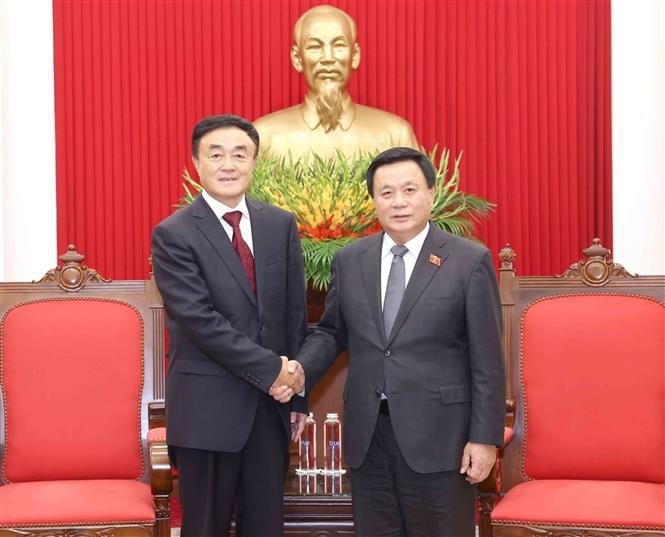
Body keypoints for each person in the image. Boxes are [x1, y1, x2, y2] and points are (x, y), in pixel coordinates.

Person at [272, 147, 506, 536]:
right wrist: (297, 373)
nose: (398, 202)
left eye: (409, 190)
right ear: (374, 201)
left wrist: (484, 439)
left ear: (432, 193)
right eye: (386, 193)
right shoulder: (350, 260)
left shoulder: (469, 261)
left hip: (441, 437)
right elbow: (332, 333)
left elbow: (488, 361)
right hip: (369, 436)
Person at [151, 114, 307, 537]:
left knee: (265, 525)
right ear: (196, 163)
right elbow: (199, 321)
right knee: (206, 528)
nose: (228, 164)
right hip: (206, 409)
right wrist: (275, 371)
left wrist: (295, 395)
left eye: (240, 154)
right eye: (215, 154)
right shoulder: (174, 234)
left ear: (254, 161)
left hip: (270, 407)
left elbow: (294, 313)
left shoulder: (280, 224)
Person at [253, 4, 418, 160]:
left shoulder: (395, 135)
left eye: (339, 45)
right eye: (314, 47)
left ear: (355, 56)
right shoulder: (265, 137)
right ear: (297, 58)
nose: (328, 58)